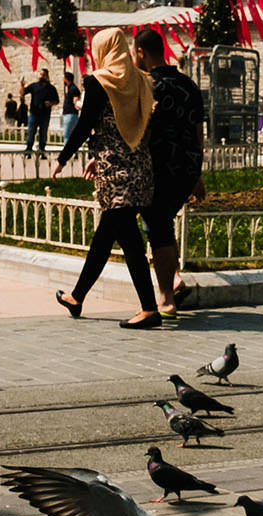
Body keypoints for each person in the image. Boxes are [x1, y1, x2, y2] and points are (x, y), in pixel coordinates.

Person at [52, 29, 161, 329]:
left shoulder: (99, 81)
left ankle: (150, 309)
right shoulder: (141, 79)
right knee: (106, 236)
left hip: (115, 172)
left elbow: (85, 123)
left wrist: (62, 159)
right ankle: (77, 296)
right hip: (140, 168)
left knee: (130, 242)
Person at [133, 29, 206, 317]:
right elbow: (199, 134)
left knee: (158, 229)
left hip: (160, 167)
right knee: (160, 226)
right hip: (186, 167)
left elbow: (145, 131)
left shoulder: (149, 85)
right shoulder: (189, 85)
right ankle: (173, 282)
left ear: (141, 52)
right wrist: (197, 174)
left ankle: (165, 299)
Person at [22, 68, 60, 157]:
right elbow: (23, 92)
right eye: (40, 74)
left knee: (43, 133)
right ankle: (28, 150)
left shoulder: (51, 88)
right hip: (34, 113)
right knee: (31, 132)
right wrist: (22, 85)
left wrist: (50, 103)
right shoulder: (34, 86)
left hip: (45, 114)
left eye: (43, 75)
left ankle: (42, 150)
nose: (41, 76)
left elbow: (57, 101)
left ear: (47, 76)